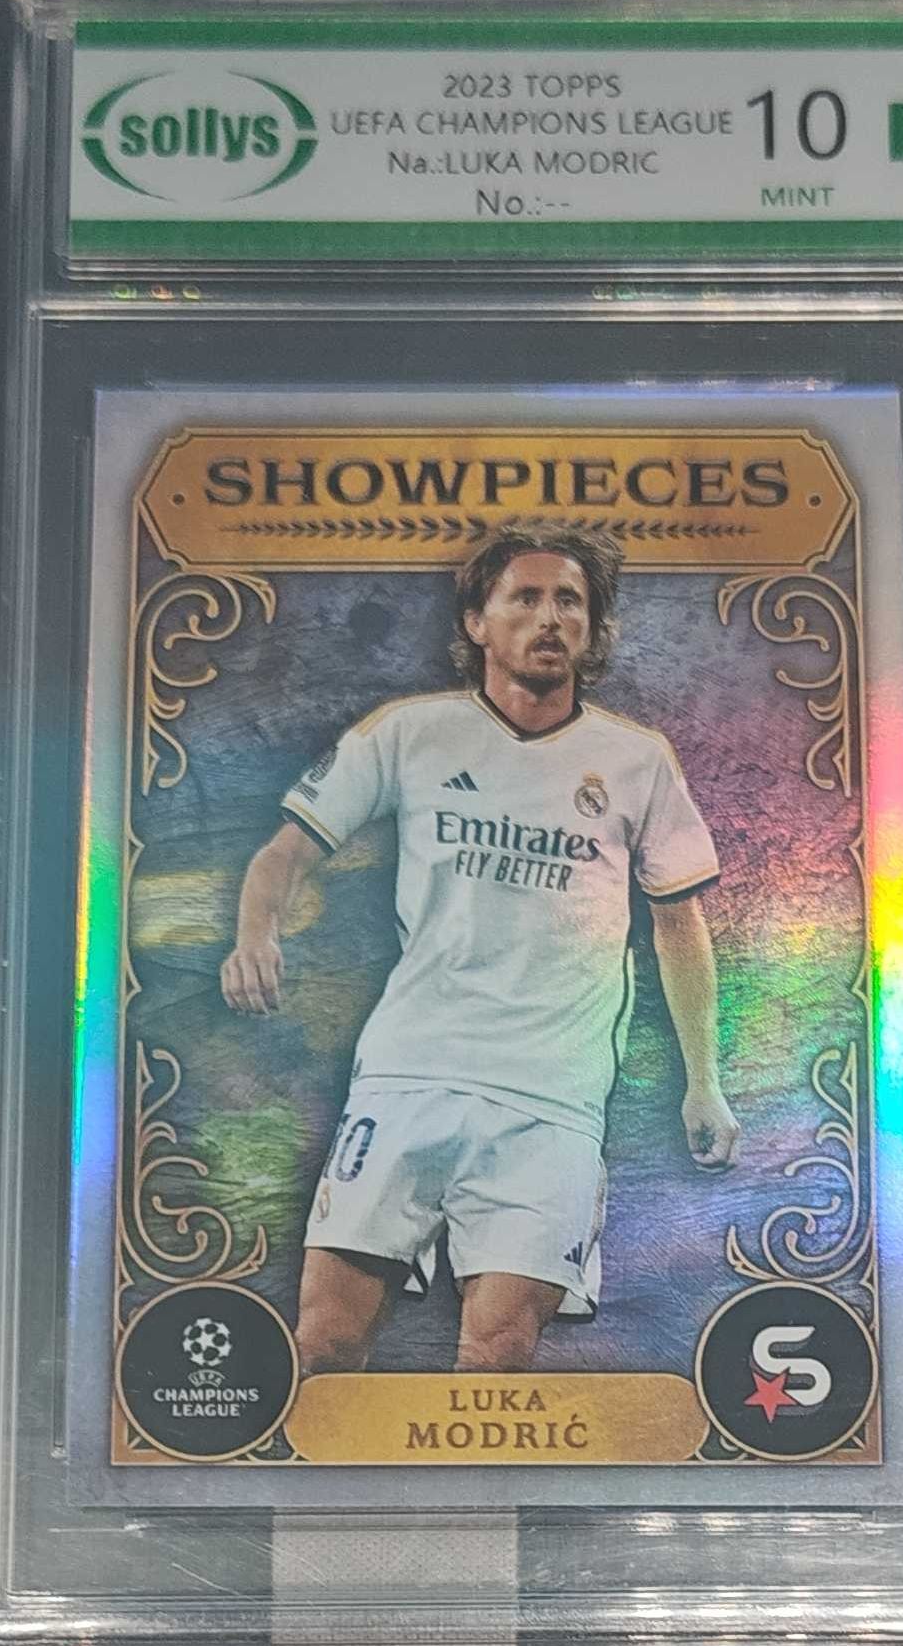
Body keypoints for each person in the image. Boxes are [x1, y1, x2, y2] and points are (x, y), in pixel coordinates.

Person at [220, 522, 738, 1373]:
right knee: (324, 1344)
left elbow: (680, 925)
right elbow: (285, 851)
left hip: (552, 1098)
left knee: (496, 1353)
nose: (549, 617)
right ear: (476, 621)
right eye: (525, 598)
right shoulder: (408, 732)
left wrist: (704, 1082)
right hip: (407, 1076)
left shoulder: (638, 761)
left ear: (592, 626)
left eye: (569, 601)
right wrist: (255, 934)